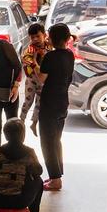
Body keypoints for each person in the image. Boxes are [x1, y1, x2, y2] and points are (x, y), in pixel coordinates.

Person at [0, 118, 45, 212]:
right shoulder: (29, 152)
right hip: (19, 201)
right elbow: (39, 171)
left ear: (5, 135)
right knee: (38, 181)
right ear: (23, 135)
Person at [38, 23, 75, 191]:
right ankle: (57, 174)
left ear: (51, 39)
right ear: (67, 39)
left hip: (49, 103)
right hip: (62, 102)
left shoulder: (49, 57)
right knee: (56, 140)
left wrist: (36, 61)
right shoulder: (69, 55)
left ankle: (55, 179)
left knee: (47, 142)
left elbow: (41, 78)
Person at [20, 22, 50, 135]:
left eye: (38, 36)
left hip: (43, 80)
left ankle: (34, 123)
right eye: (32, 37)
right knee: (28, 101)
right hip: (32, 79)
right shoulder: (31, 49)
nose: (35, 39)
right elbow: (26, 60)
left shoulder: (48, 46)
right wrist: (36, 58)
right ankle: (21, 121)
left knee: (39, 103)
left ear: (44, 35)